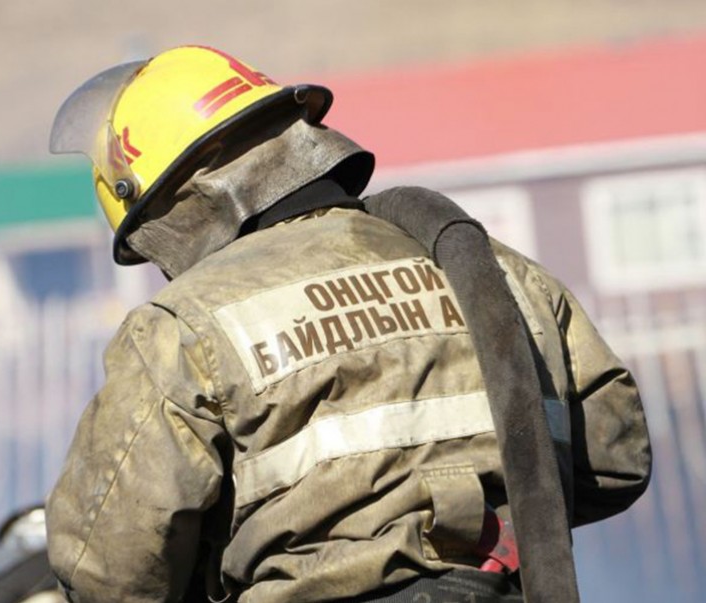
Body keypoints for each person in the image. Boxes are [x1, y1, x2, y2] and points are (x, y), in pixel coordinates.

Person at [45, 45, 651, 603]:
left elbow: (110, 572)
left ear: (174, 206)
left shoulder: (184, 326)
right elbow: (615, 454)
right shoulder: (497, 272)